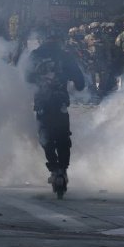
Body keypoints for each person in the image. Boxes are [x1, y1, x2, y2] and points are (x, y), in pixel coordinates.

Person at [27, 28, 85, 197]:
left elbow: (26, 78)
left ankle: (55, 169)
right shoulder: (65, 56)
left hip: (44, 103)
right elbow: (80, 82)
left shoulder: (36, 55)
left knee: (47, 137)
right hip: (58, 102)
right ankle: (61, 170)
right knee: (61, 138)